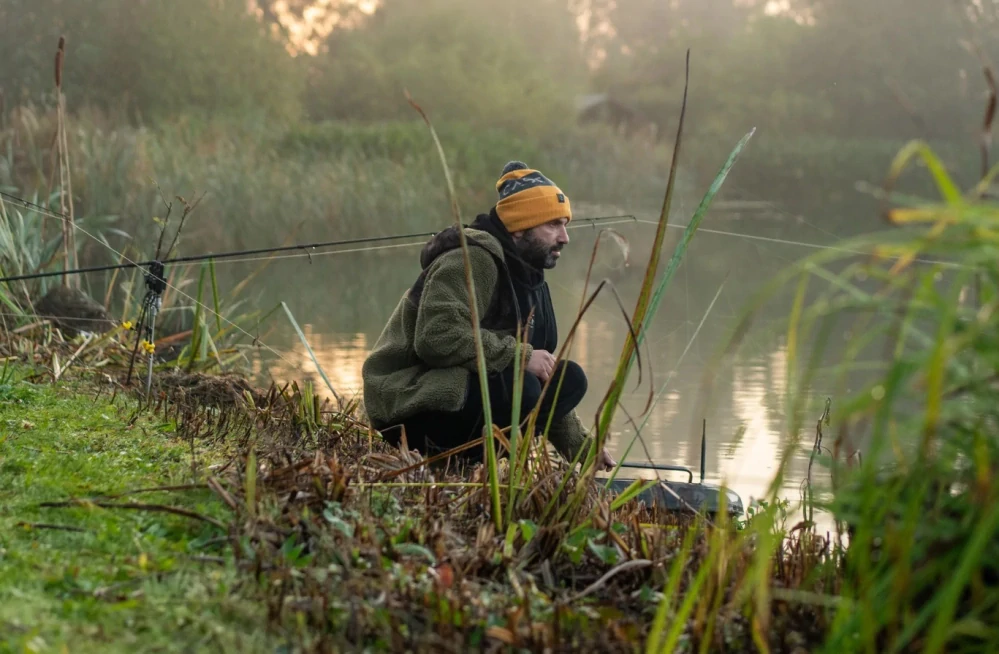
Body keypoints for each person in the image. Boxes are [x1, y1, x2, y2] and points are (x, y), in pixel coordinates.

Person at [361, 161, 616, 470]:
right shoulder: (470, 260)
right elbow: (436, 338)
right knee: (524, 386)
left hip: (459, 395)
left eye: (565, 224)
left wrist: (585, 450)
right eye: (553, 225)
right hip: (407, 404)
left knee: (569, 379)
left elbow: (540, 373)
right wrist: (521, 356)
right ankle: (452, 463)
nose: (565, 237)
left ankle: (471, 465)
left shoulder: (528, 275)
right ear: (520, 227)